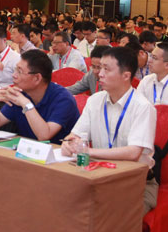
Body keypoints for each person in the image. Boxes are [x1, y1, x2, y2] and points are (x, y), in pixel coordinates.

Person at [61, 46, 157, 215]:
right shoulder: (94, 101)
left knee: (110, 217)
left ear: (126, 75)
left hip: (135, 182)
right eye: (99, 68)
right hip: (98, 176)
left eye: (106, 69)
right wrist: (69, 143)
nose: (100, 74)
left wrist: (89, 151)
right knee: (63, 204)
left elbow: (133, 153)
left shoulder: (143, 107)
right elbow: (75, 135)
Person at [0, 49, 80, 143]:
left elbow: (44, 135)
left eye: (19, 71)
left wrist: (26, 104)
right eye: (15, 69)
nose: (14, 75)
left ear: (37, 78)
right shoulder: (20, 92)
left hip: (58, 152)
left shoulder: (63, 99)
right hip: (27, 150)